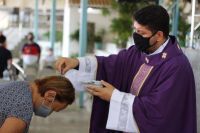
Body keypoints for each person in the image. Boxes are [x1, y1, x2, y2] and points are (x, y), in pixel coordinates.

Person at [55, 5, 196, 133]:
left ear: (159, 35)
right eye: (135, 30)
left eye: (142, 33)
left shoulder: (176, 67)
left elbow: (158, 112)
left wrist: (114, 96)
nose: (136, 36)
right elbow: (109, 64)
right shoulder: (138, 52)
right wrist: (76, 62)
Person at [0, 75, 75, 133]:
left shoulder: (23, 85)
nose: (48, 113)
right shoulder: (23, 108)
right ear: (49, 95)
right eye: (53, 109)